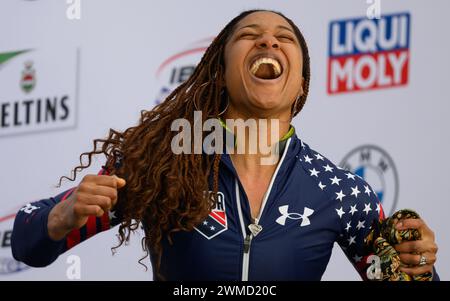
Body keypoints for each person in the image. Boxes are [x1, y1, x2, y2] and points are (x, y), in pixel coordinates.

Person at [11, 9, 438, 281]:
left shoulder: (341, 192)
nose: (268, 41)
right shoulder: (161, 165)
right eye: (250, 34)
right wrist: (62, 216)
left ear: (301, 85)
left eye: (284, 38)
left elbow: (401, 277)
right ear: (220, 73)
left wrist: (417, 263)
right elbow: (25, 243)